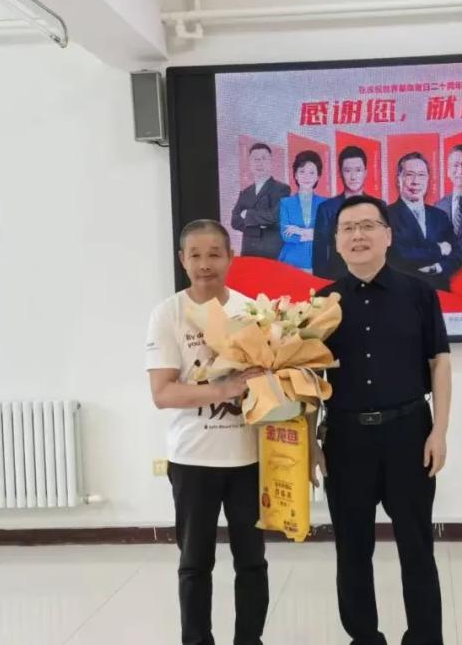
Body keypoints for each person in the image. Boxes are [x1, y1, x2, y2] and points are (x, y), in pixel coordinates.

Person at [312, 195, 452, 645]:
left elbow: (439, 363)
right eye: (348, 228)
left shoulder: (419, 294)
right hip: (345, 438)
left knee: (417, 546)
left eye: (368, 226)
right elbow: (307, 377)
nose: (358, 235)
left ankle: (425, 637)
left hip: (408, 433)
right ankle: (364, 637)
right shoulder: (321, 303)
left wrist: (439, 431)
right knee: (352, 549)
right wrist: (310, 442)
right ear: (336, 240)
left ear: (388, 236)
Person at [146, 219, 268, 645]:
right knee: (195, 564)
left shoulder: (252, 312)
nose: (205, 264)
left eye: (214, 254)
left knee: (252, 562)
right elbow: (162, 393)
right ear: (182, 260)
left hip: (249, 459)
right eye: (195, 255)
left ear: (230, 257)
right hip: (193, 459)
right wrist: (224, 389)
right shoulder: (168, 314)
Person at [387, 152, 462, 290]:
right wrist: (440, 249)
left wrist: (439, 267)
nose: (416, 181)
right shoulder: (386, 215)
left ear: (428, 180)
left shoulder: (439, 216)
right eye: (409, 174)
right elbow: (398, 255)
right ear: (399, 179)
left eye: (422, 175)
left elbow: (459, 252)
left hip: (439, 292)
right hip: (403, 292)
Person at [312, 145, 383, 280]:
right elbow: (319, 255)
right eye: (347, 170)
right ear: (340, 173)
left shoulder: (379, 206)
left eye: (358, 170)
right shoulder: (326, 209)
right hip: (339, 280)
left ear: (365, 172)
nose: (353, 176)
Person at [230, 143, 291, 259]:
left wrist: (247, 214)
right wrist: (261, 224)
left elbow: (274, 217)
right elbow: (235, 221)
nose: (259, 163)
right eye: (255, 159)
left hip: (271, 251)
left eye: (263, 158)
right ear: (250, 163)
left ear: (271, 162)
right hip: (248, 251)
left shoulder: (282, 189)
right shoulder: (245, 192)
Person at [278, 150, 327, 272]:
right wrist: (314, 233)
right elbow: (286, 235)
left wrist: (299, 231)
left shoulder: (325, 204)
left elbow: (327, 235)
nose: (306, 177)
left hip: (318, 262)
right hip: (290, 262)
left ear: (318, 176)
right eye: (302, 171)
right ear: (295, 175)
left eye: (311, 172)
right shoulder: (285, 203)